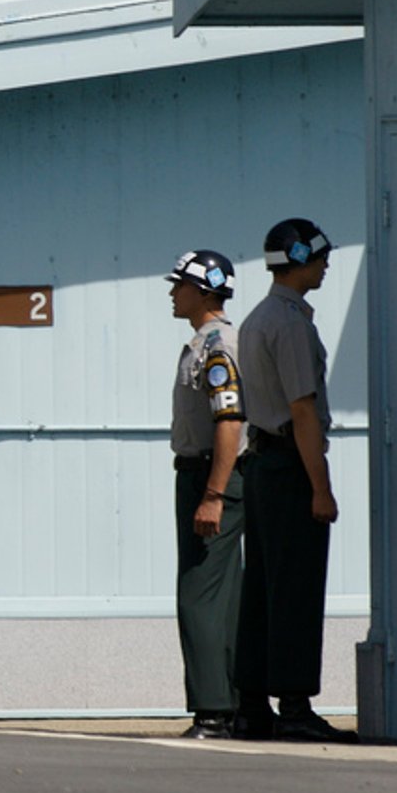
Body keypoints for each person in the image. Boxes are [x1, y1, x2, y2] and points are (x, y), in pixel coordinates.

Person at [234, 217, 353, 742]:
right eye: (321, 257)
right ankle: (296, 708)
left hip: (261, 465)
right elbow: (303, 412)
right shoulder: (292, 325)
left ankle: (253, 705)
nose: (326, 266)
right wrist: (321, 488)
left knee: (260, 588)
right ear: (301, 257)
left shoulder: (258, 318)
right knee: (296, 588)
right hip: (289, 466)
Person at [166, 249, 247, 740]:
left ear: (203, 291)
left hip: (209, 477)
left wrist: (213, 493)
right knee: (220, 594)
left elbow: (229, 422)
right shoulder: (203, 342)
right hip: (200, 475)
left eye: (179, 285)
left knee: (198, 594)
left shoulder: (218, 347)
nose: (172, 294)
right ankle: (232, 703)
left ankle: (214, 710)